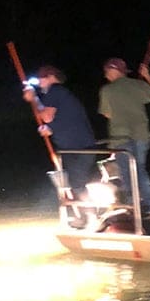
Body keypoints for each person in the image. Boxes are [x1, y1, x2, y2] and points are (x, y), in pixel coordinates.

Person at [98, 58, 150, 214]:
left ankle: (132, 204)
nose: (106, 76)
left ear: (113, 71)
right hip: (141, 135)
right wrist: (147, 76)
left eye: (107, 72)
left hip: (120, 137)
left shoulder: (106, 90)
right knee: (140, 169)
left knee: (126, 172)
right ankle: (147, 204)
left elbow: (107, 113)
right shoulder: (137, 84)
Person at [23, 65, 96, 202]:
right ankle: (84, 215)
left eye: (41, 79)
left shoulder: (56, 91)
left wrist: (33, 98)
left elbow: (46, 116)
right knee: (74, 184)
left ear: (51, 77)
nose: (39, 83)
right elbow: (54, 123)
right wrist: (47, 129)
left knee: (77, 184)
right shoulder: (57, 96)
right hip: (72, 148)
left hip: (80, 148)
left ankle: (90, 215)